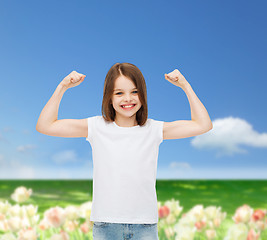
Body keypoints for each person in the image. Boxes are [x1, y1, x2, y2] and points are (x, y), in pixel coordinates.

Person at [36, 62, 213, 240]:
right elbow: (45, 125)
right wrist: (62, 87)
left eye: (134, 92)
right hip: (106, 226)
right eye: (119, 93)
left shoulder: (154, 129)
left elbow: (203, 124)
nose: (128, 99)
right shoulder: (97, 127)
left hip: (145, 226)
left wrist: (185, 86)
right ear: (109, 98)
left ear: (143, 95)